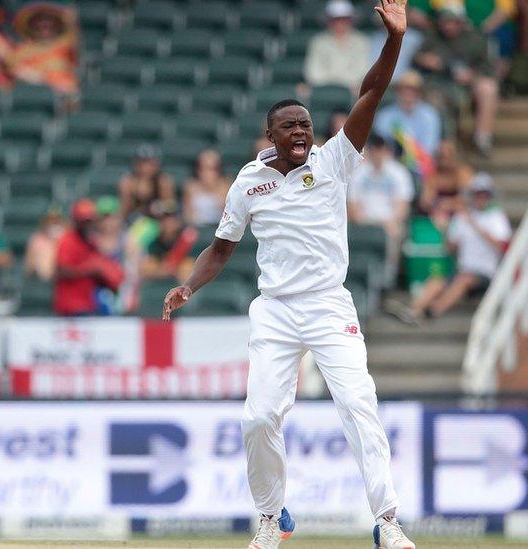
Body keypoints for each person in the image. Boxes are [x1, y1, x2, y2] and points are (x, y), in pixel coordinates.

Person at [162, 2, 416, 548]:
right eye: (289, 126)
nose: (301, 131)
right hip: (274, 310)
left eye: (305, 123)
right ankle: (272, 518)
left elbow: (369, 94)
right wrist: (189, 285)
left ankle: (388, 522)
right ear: (269, 134)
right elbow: (222, 248)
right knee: (258, 419)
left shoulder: (333, 162)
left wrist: (393, 41)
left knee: (358, 404)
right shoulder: (248, 183)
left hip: (327, 303)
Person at [393, 173, 509, 322]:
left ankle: (431, 313)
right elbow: (450, 248)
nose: (480, 198)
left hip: (485, 273)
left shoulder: (496, 217)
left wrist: (475, 225)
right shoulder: (461, 217)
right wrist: (443, 229)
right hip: (463, 269)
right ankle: (413, 310)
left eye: (484, 194)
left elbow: (501, 246)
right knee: (438, 279)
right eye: (478, 194)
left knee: (464, 279)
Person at [413, 4, 499, 154]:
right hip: (437, 84)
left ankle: (482, 138)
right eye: (446, 21)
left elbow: (488, 68)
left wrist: (471, 75)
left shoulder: (475, 38)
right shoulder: (432, 37)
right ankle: (442, 145)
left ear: (461, 22)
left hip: (467, 85)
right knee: (434, 99)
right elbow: (415, 60)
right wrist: (425, 60)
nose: (449, 26)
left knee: (489, 87)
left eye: (453, 21)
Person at [349, 135, 414, 284]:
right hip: (364, 221)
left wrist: (390, 221)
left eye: (381, 149)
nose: (378, 154)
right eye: (374, 150)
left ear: (386, 150)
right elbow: (352, 204)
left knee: (394, 232)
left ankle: (387, 279)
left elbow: (403, 206)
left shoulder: (399, 173)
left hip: (390, 222)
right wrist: (361, 219)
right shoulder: (359, 172)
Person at [53, 198, 124, 316]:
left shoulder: (93, 242)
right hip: (70, 306)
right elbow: (62, 269)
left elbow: (111, 275)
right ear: (76, 221)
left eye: (89, 221)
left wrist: (105, 273)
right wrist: (89, 269)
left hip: (90, 305)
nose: (86, 224)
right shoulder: (68, 240)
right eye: (83, 221)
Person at [8, 1, 80, 95]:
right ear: (32, 27)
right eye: (40, 25)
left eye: (49, 24)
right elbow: (15, 68)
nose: (44, 25)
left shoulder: (68, 43)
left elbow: (71, 86)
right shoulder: (22, 52)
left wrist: (44, 78)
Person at [303, 0, 372, 93]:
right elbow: (313, 72)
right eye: (336, 19)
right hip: (323, 91)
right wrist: (337, 82)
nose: (340, 23)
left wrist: (338, 81)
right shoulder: (318, 42)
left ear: (350, 20)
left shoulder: (362, 41)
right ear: (329, 21)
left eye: (344, 19)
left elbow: (363, 71)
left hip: (353, 92)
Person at [374, 70, 443, 155]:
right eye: (404, 89)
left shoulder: (430, 115)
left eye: (413, 90)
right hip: (390, 162)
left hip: (420, 164)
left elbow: (429, 148)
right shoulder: (384, 115)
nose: (408, 93)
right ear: (397, 91)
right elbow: (381, 145)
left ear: (420, 92)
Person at [139, 201, 198, 283]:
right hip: (162, 269)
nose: (168, 223)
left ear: (178, 221)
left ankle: (187, 295)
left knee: (186, 268)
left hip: (179, 269)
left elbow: (190, 261)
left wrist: (172, 267)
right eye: (164, 219)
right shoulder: (155, 240)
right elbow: (150, 263)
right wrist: (164, 269)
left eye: (171, 219)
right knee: (147, 267)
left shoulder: (186, 237)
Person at [118, 144, 177, 221]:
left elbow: (171, 207)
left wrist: (159, 207)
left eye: (150, 164)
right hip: (135, 222)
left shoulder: (164, 181)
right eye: (141, 163)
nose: (145, 168)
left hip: (160, 221)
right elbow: (123, 211)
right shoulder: (127, 182)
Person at [183, 149, 232, 226]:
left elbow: (230, 215)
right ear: (197, 170)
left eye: (211, 169)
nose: (207, 173)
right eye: (203, 168)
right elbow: (188, 216)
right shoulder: (190, 187)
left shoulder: (227, 185)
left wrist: (212, 188)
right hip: (198, 229)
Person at [23, 203, 67, 281]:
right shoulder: (36, 239)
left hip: (63, 280)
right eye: (50, 220)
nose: (53, 223)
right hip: (41, 281)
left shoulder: (68, 239)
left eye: (57, 220)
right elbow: (29, 266)